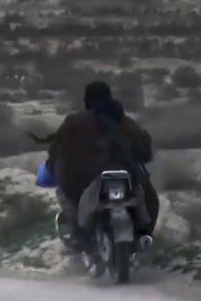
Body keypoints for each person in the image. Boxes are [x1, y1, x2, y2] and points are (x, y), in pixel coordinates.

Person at [45, 81, 158, 251]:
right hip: (125, 177)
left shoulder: (74, 122)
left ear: (87, 100)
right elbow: (145, 150)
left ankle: (79, 237)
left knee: (67, 196)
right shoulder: (125, 121)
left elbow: (57, 150)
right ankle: (144, 237)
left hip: (84, 179)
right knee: (149, 198)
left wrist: (54, 165)